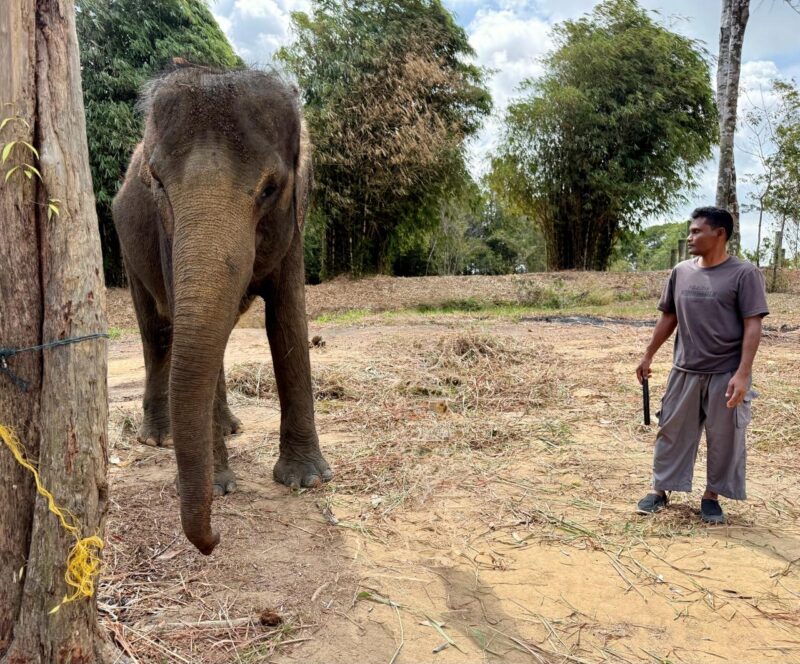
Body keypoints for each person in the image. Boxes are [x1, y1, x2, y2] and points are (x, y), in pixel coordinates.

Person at [636, 206, 769, 524]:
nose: (690, 236)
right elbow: (669, 316)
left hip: (726, 372)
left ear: (719, 234)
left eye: (697, 231)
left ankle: (711, 496)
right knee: (671, 431)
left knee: (725, 437)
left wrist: (743, 374)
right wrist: (648, 354)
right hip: (684, 370)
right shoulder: (680, 272)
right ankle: (661, 489)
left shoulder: (744, 274)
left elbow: (753, 325)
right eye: (690, 231)